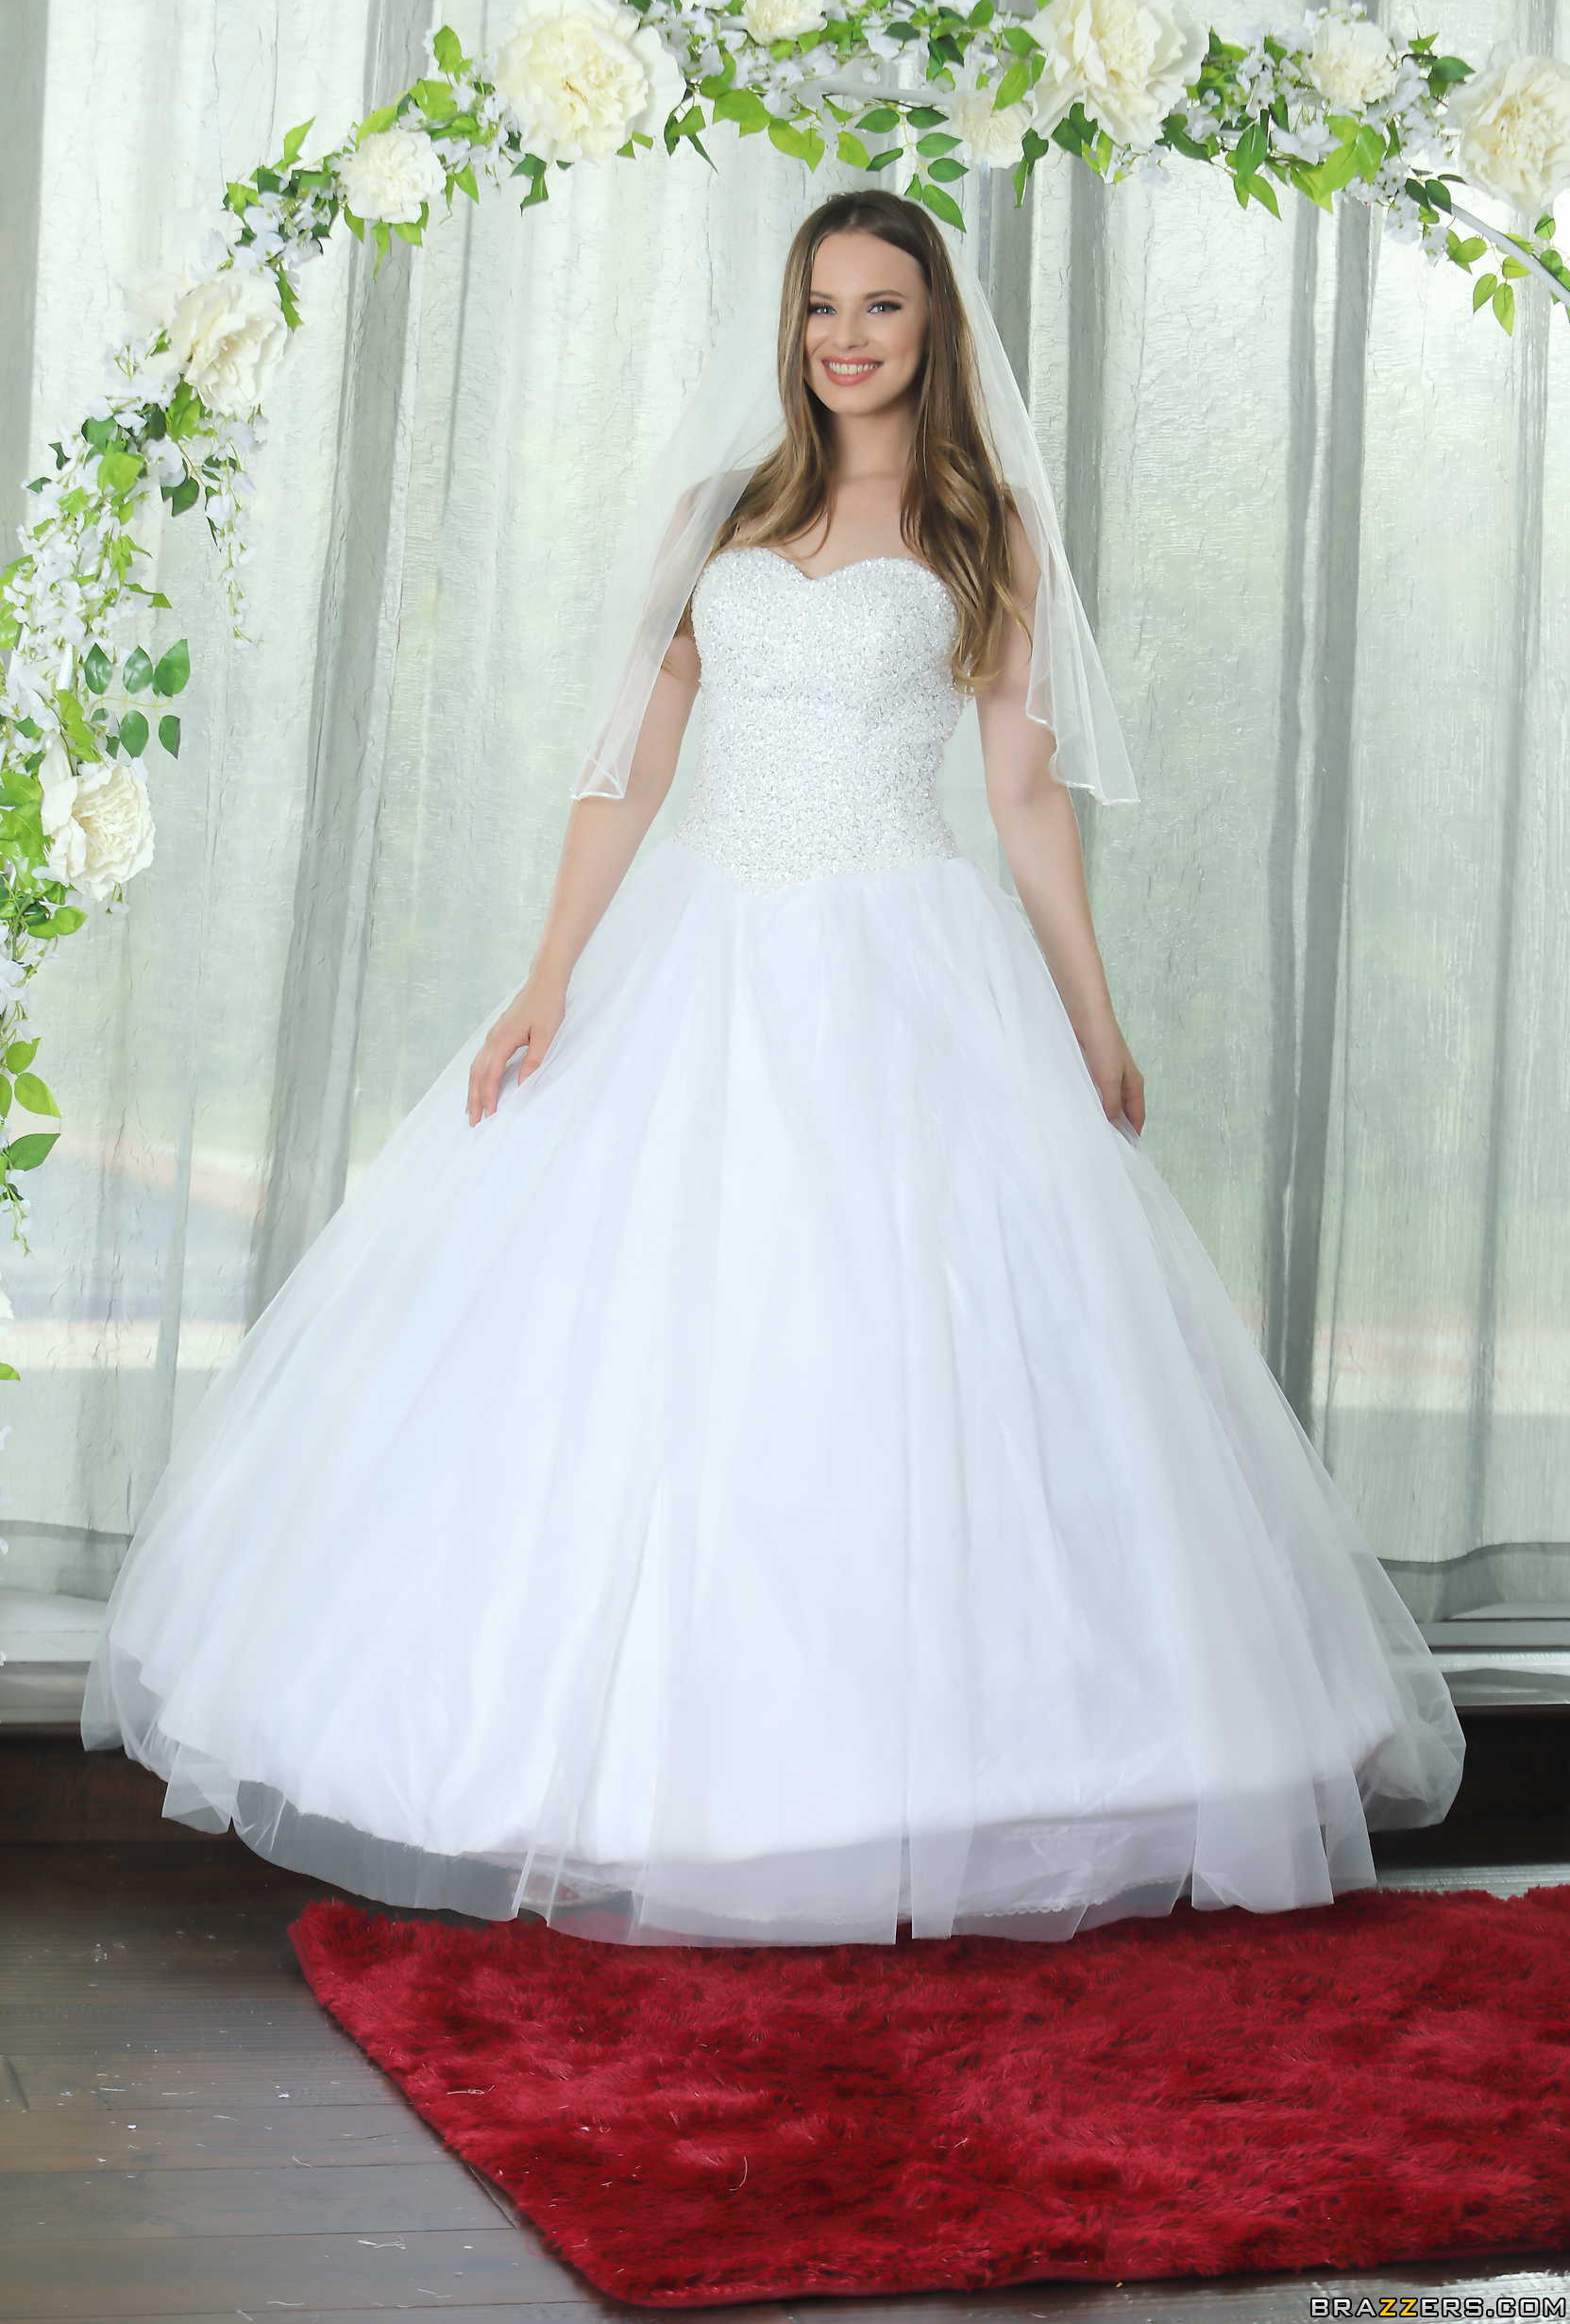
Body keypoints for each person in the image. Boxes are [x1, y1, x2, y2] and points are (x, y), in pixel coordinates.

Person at [81, 191, 1464, 1948]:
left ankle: (941, 1788)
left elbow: (1027, 797)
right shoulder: (719, 515)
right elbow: (626, 768)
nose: (846, 338)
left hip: (904, 961)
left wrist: (1095, 1018)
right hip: (700, 948)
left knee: (909, 1353)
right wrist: (549, 976)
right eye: (821, 305)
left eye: (881, 306)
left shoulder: (986, 528)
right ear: (791, 323)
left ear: (933, 327)